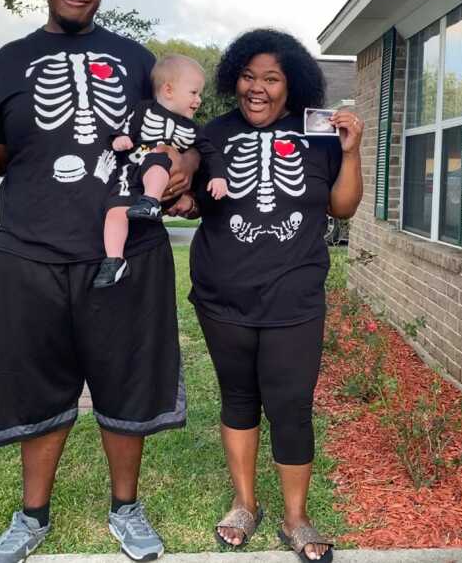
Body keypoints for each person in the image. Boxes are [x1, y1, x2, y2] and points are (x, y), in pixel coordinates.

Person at [0, 0, 196, 563]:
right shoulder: (9, 62)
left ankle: (126, 508)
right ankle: (31, 516)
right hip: (31, 253)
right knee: (35, 385)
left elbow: (174, 131)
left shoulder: (137, 61)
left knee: (126, 380)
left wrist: (181, 165)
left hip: (126, 251)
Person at [179, 29, 363, 563]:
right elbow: (191, 195)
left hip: (294, 296)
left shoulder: (321, 134)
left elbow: (343, 208)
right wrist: (183, 197)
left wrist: (349, 153)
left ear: (293, 85)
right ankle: (244, 504)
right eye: (248, 76)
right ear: (233, 77)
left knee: (291, 407)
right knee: (238, 399)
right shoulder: (212, 134)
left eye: (271, 78)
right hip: (223, 295)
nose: (256, 88)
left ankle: (296, 519)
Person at [94, 54, 228, 287]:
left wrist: (218, 177)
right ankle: (115, 260)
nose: (198, 100)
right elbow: (125, 128)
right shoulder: (144, 110)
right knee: (115, 212)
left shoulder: (193, 128)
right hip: (131, 176)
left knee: (157, 158)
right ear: (168, 90)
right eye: (194, 93)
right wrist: (120, 139)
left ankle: (150, 202)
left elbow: (210, 154)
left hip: (162, 182)